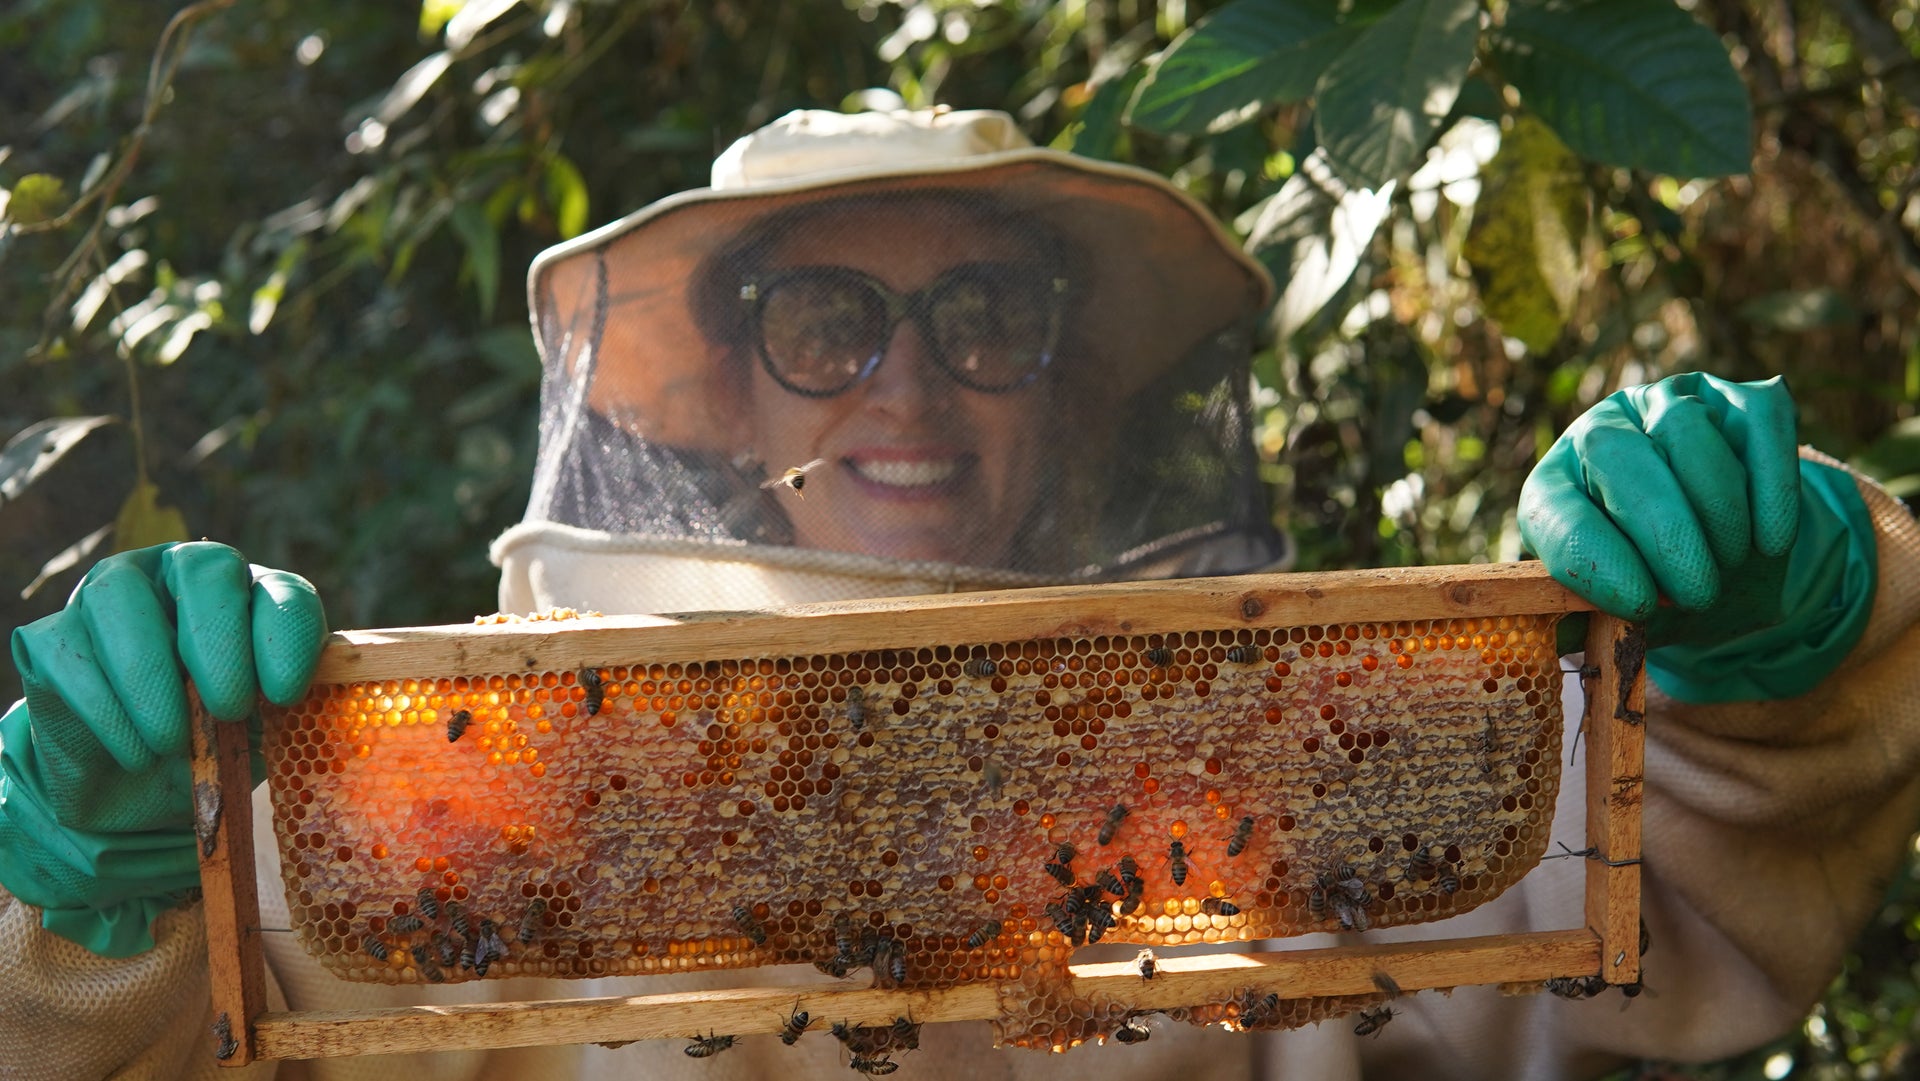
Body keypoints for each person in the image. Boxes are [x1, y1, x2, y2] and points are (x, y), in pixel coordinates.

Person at [0, 108, 1914, 1081]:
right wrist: (109, 905)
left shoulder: (1283, 742)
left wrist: (1768, 652)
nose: (908, 390)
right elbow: (173, 1042)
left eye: (983, 318)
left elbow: (1640, 891)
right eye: (829, 322)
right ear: (728, 400)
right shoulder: (484, 776)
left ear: (1069, 382)